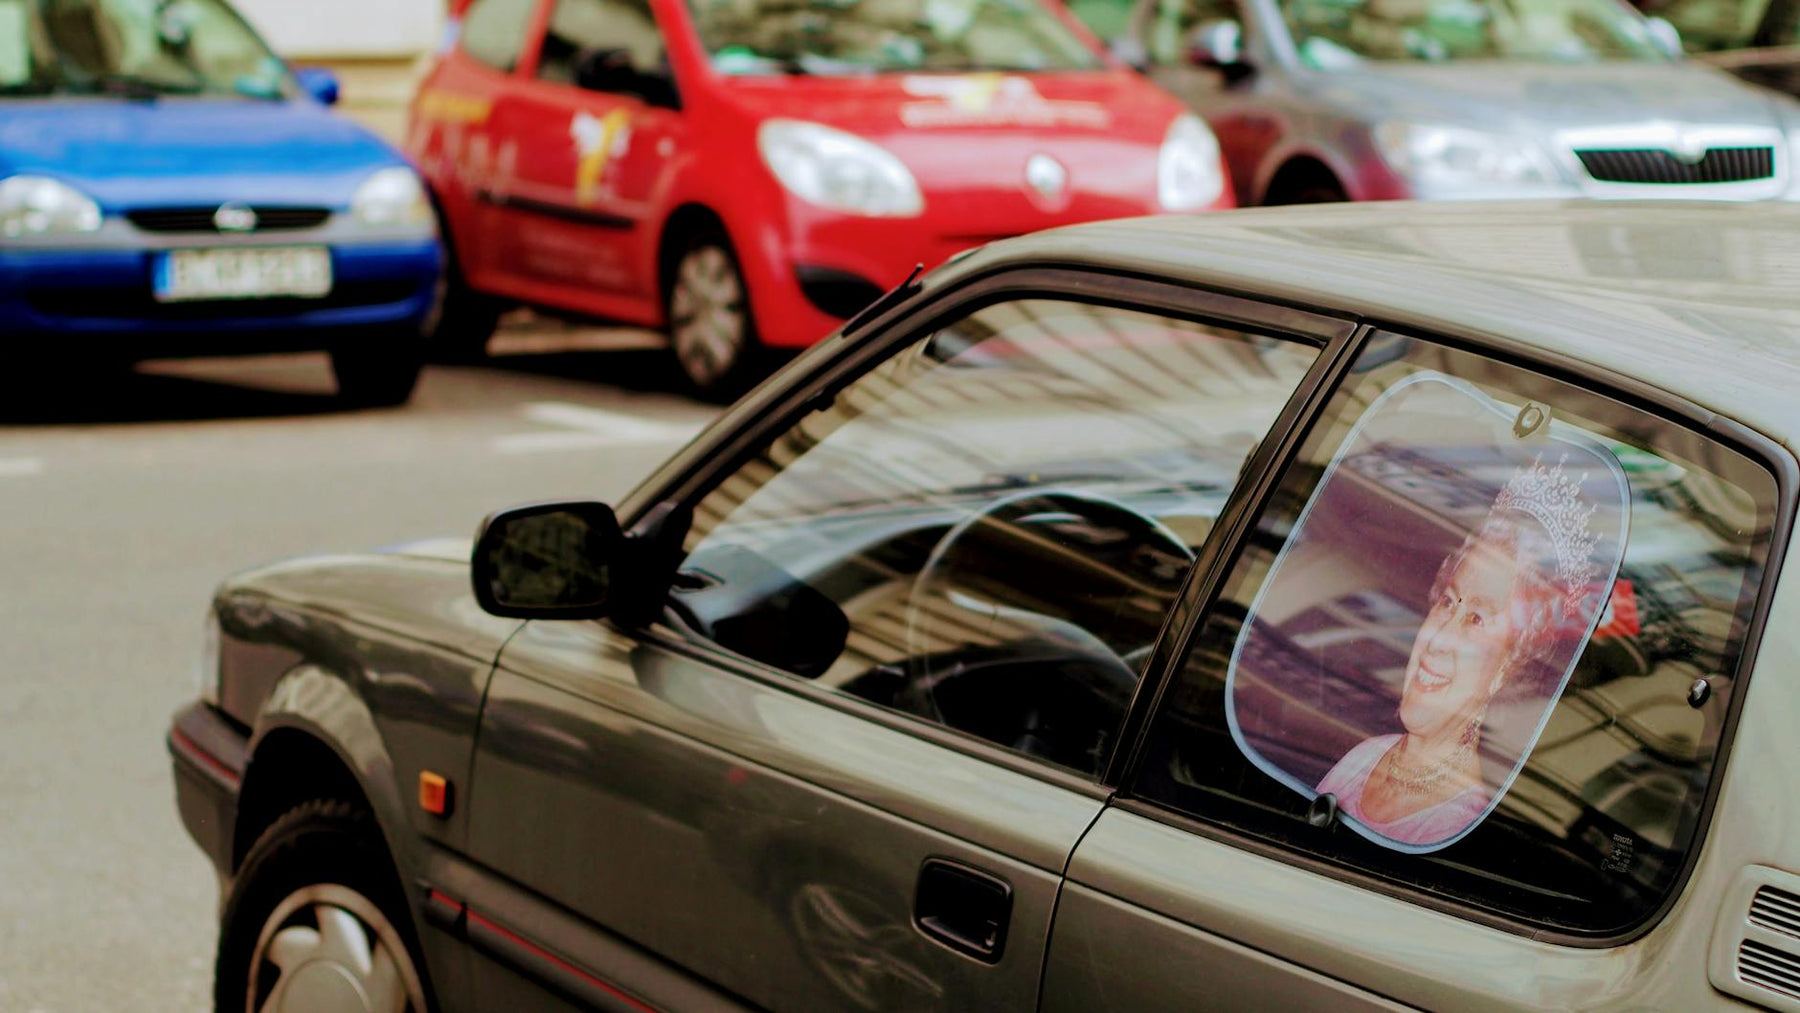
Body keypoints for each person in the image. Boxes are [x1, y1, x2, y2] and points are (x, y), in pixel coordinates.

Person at [1315, 457, 1595, 846]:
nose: (1439, 636)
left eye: (1477, 619)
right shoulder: (1362, 758)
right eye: (1448, 602)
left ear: (1507, 668)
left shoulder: (1462, 826)